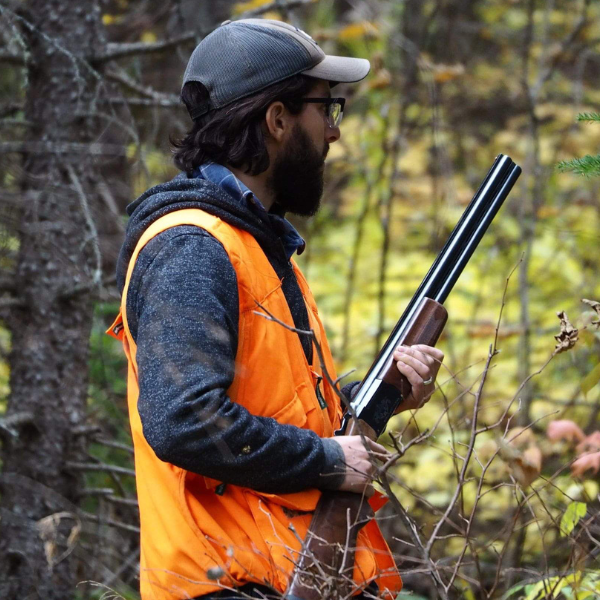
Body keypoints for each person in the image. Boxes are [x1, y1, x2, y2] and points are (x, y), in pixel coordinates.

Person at [109, 18, 444, 600]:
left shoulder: (258, 247)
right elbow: (183, 421)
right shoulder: (194, 246)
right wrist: (323, 460)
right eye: (326, 109)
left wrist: (381, 391)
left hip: (283, 573)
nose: (333, 133)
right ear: (278, 119)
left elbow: (277, 406)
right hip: (227, 584)